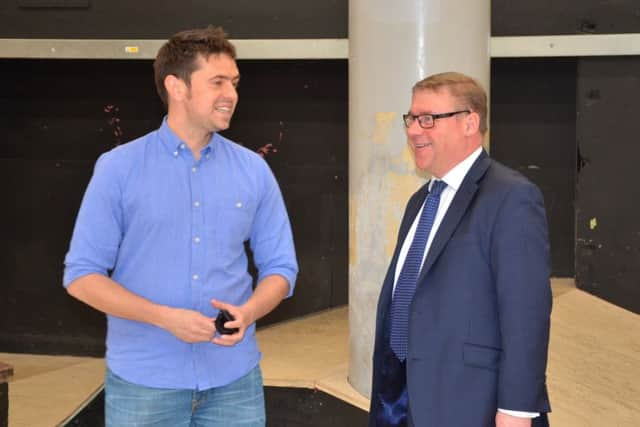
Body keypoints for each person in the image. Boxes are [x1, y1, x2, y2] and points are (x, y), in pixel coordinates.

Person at [63, 26, 298, 426]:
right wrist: (164, 318)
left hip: (234, 381)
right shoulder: (118, 168)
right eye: (217, 82)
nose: (232, 95)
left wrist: (250, 310)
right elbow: (82, 277)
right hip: (144, 385)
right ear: (177, 87)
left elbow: (282, 269)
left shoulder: (253, 170)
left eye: (235, 83)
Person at [369, 72, 552, 427]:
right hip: (403, 400)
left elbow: (526, 314)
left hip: (473, 405)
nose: (413, 130)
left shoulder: (512, 197)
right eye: (410, 119)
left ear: (470, 122)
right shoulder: (419, 202)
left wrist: (516, 409)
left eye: (428, 119)